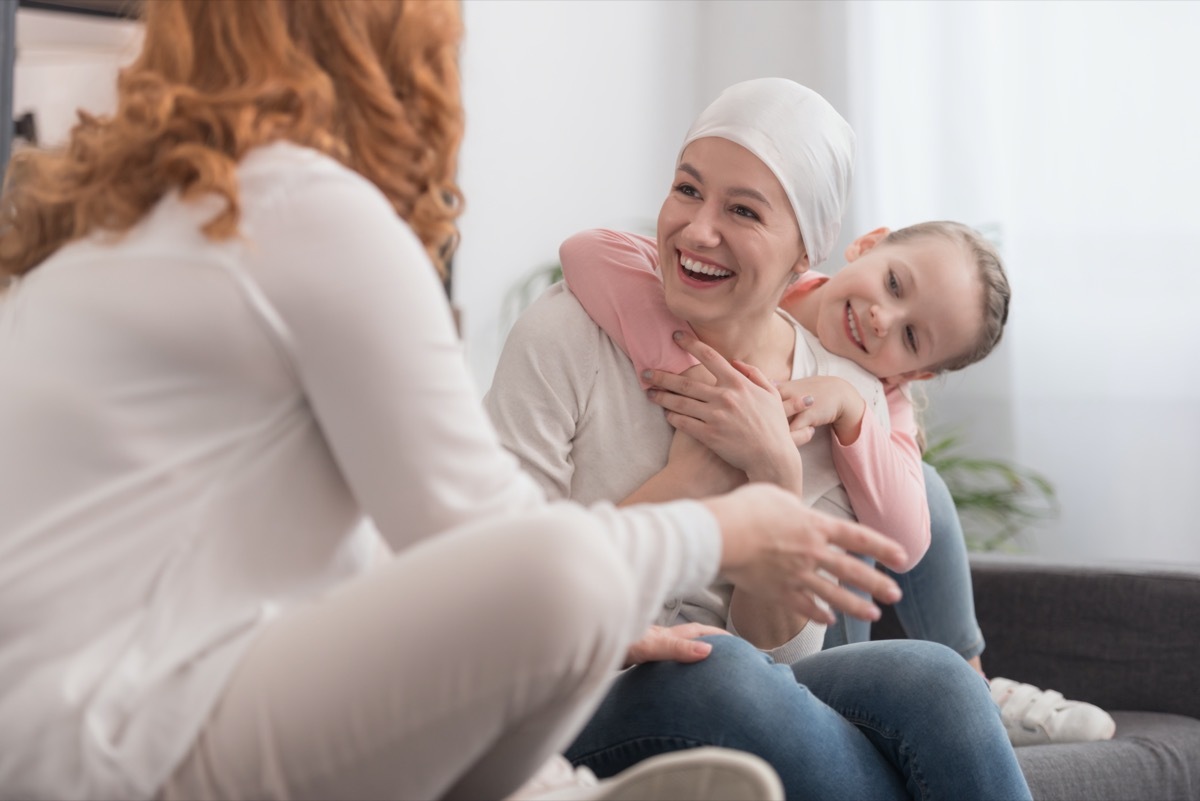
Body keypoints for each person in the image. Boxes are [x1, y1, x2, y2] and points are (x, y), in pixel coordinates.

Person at [0, 4, 920, 800]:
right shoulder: (306, 211)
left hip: (58, 727)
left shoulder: (135, 220)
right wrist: (727, 527)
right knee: (577, 608)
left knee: (919, 679)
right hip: (117, 743)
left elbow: (370, 556)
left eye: (747, 209)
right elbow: (505, 560)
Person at [485, 76, 1033, 800]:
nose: (697, 229)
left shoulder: (840, 396)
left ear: (805, 252)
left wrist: (775, 474)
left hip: (751, 677)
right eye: (687, 189)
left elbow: (782, 647)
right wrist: (689, 486)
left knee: (937, 679)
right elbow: (497, 587)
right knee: (720, 670)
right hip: (565, 689)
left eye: (742, 210)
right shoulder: (566, 332)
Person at [559, 222, 1116, 747]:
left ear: (913, 374)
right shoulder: (757, 280)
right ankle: (969, 694)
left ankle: (974, 690)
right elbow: (586, 251)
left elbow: (907, 541)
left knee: (919, 487)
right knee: (914, 483)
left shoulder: (877, 393)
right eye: (894, 283)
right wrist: (694, 370)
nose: (882, 318)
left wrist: (850, 408)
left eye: (912, 336)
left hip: (809, 630)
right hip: (712, 604)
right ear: (867, 243)